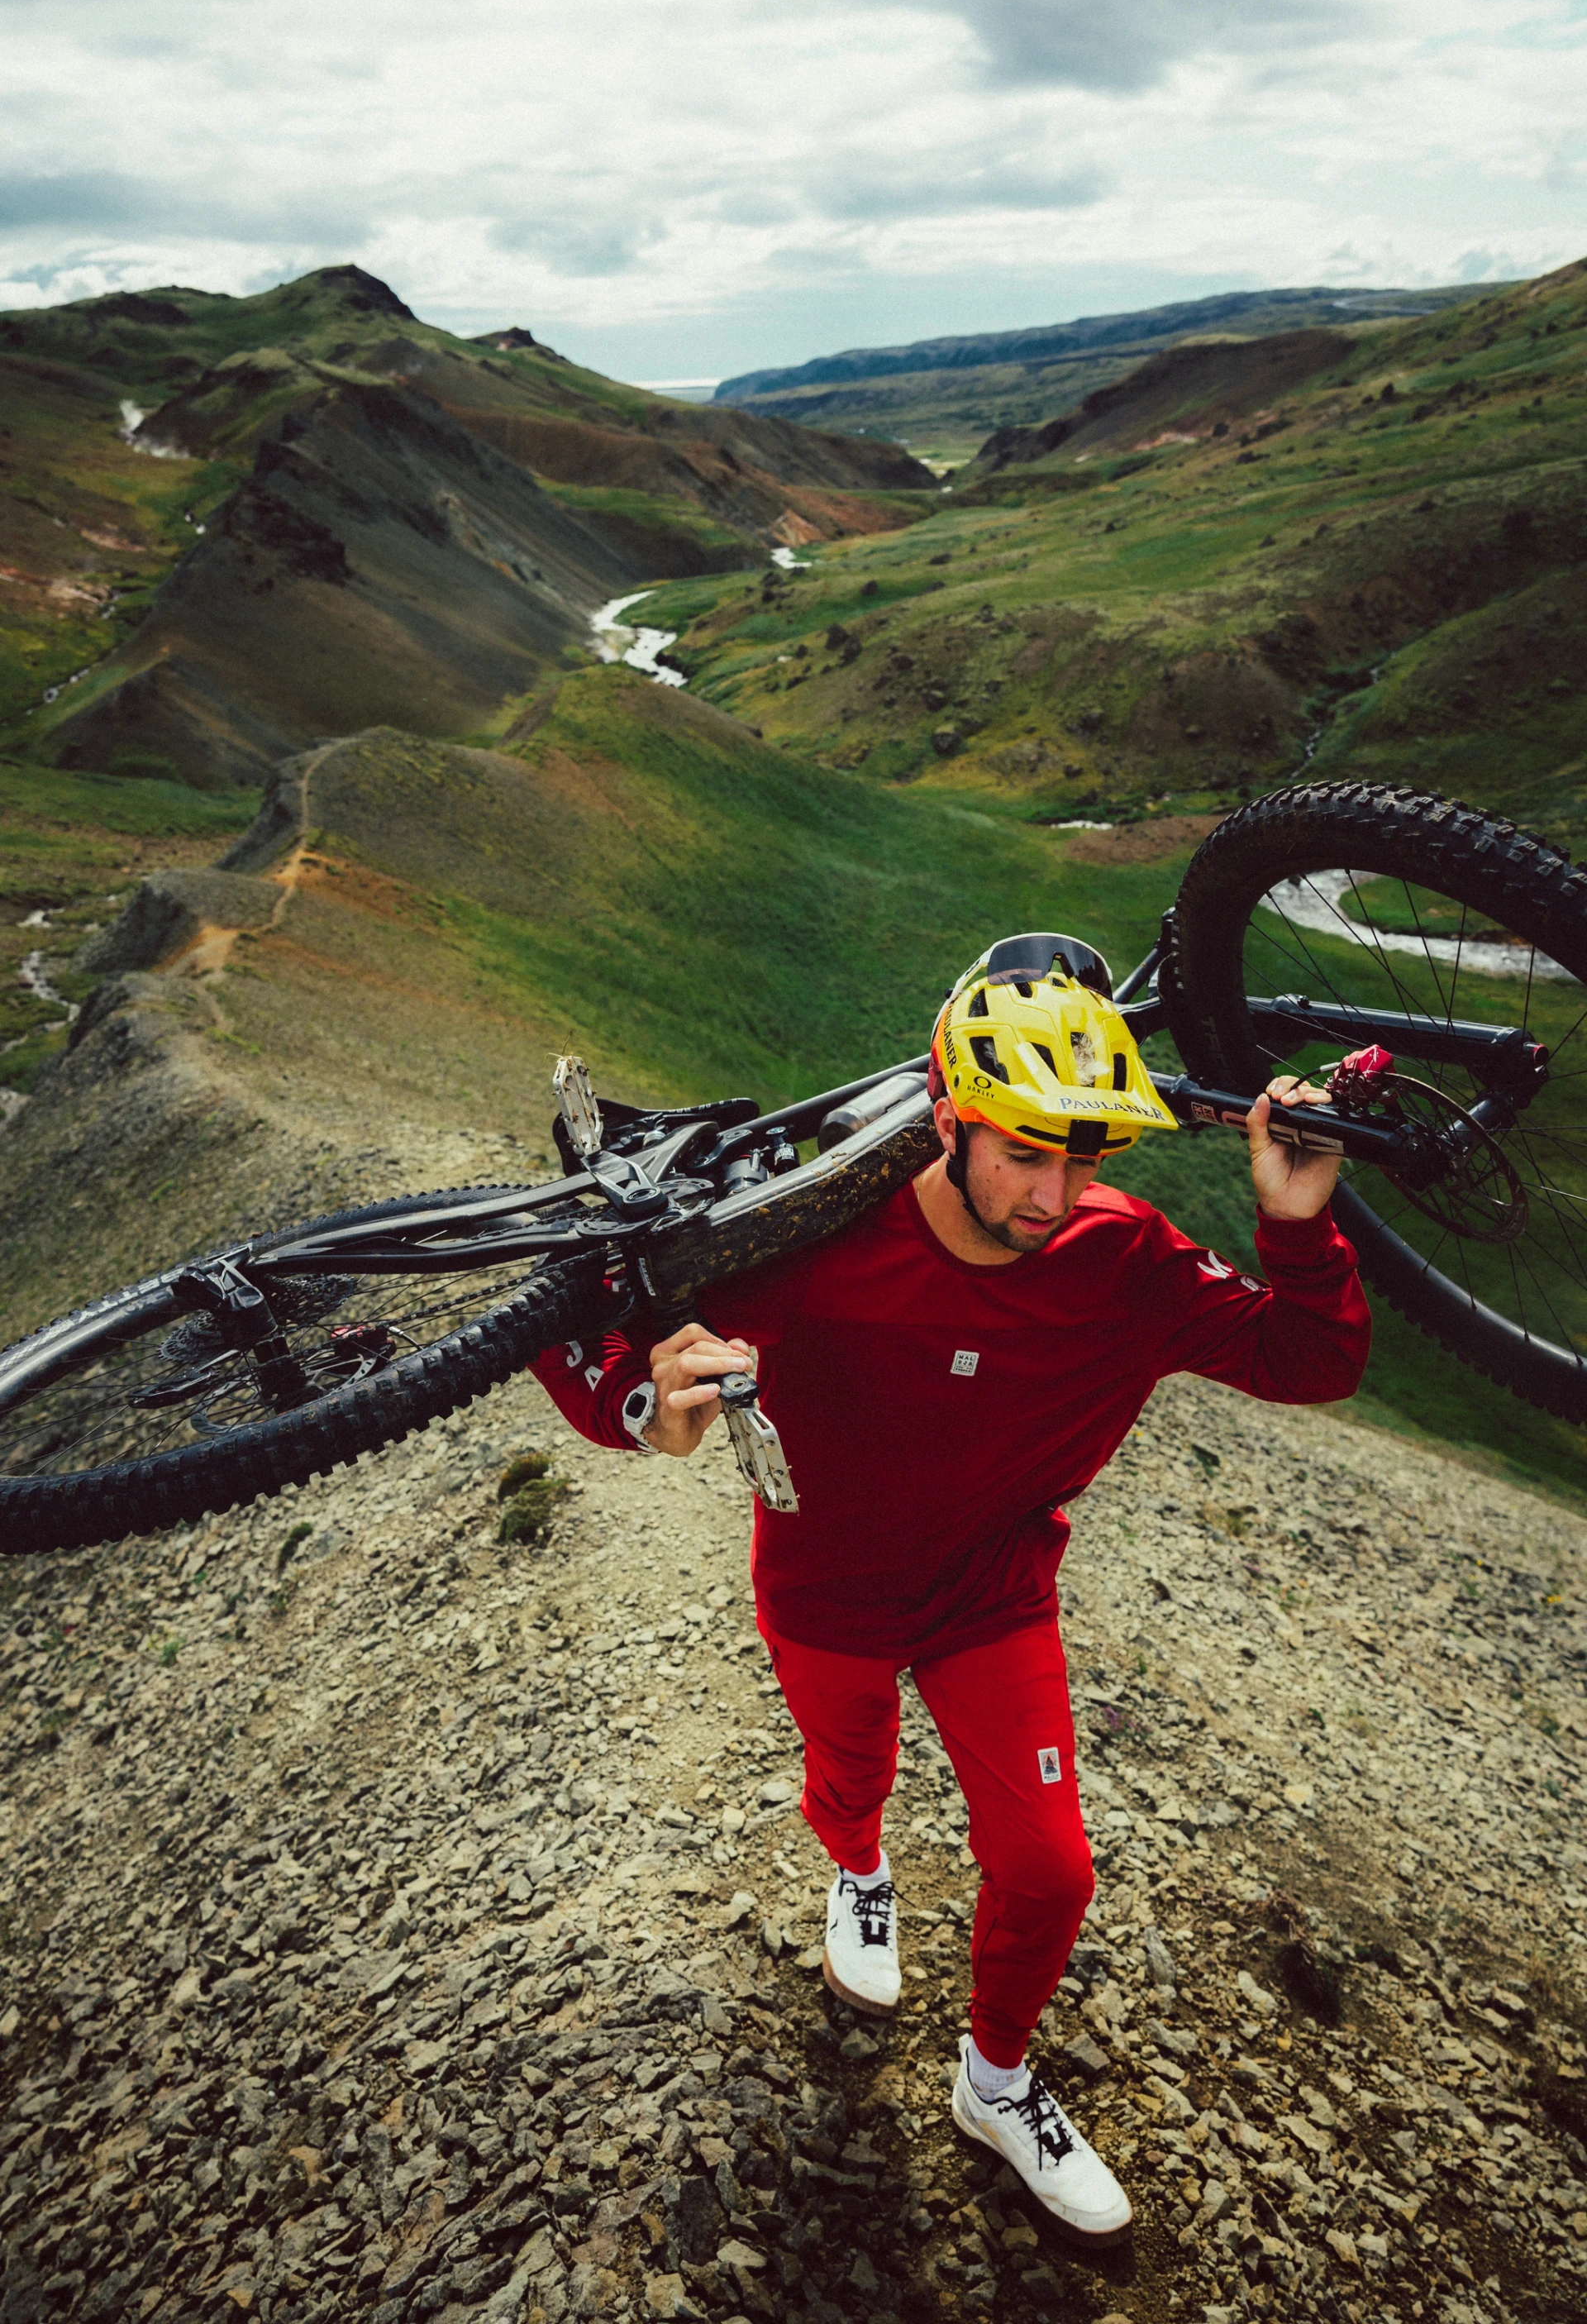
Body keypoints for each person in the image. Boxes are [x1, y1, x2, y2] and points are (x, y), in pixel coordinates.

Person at [531, 933, 1370, 2244]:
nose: (1053, 1194)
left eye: (1081, 1158)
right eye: (1024, 1154)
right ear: (948, 1121)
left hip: (993, 1595)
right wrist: (643, 1409)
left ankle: (995, 2084)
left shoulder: (1122, 1256)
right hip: (826, 1590)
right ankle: (860, 1872)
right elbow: (579, 1306)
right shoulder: (809, 1243)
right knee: (850, 1772)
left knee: (1051, 1869)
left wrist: (1299, 1222)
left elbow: (1307, 1361)